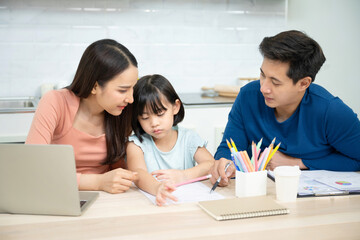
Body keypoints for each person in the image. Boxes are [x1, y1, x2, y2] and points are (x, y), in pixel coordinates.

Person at [210, 30, 360, 187]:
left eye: (275, 82)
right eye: (262, 75)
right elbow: (229, 148)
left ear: (303, 83)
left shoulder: (331, 112)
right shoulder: (248, 96)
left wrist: (297, 163)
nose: (263, 88)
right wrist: (224, 163)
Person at [26, 39, 139, 193]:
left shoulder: (119, 111)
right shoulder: (56, 101)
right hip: (56, 192)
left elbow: (117, 170)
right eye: (122, 90)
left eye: (133, 88)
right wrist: (98, 182)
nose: (131, 99)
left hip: (105, 196)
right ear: (94, 86)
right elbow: (32, 166)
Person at [126, 74, 214, 206]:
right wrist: (157, 188)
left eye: (160, 113)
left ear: (175, 107)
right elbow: (138, 174)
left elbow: (210, 164)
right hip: (152, 206)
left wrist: (183, 176)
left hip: (186, 205)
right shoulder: (136, 145)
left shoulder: (189, 138)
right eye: (144, 117)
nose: (154, 123)